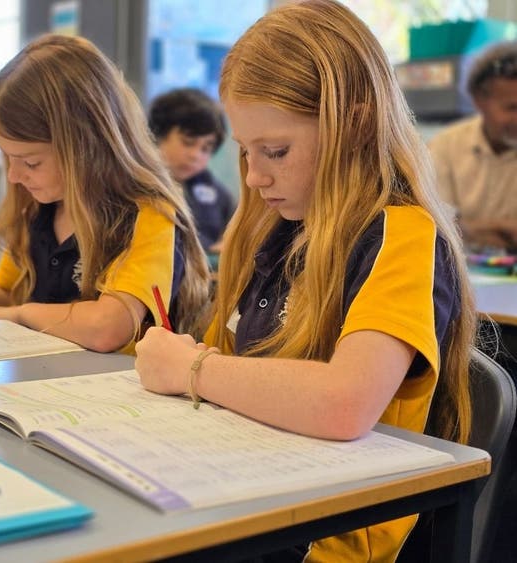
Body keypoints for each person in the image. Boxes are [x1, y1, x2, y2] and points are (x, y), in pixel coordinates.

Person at [134, 0, 476, 560]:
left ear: (356, 124)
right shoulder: (275, 228)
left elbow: (344, 404)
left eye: (275, 151)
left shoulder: (401, 235)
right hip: (247, 499)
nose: (253, 175)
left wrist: (192, 368)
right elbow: (228, 365)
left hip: (320, 536)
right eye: (245, 151)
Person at [0, 34, 211, 354]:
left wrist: (20, 315)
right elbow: (9, 295)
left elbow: (110, 326)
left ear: (87, 148)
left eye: (30, 162)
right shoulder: (40, 207)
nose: (14, 175)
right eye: (8, 158)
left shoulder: (147, 216)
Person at [428, 41, 517, 253]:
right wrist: (504, 228)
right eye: (512, 107)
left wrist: (470, 227)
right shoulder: (445, 148)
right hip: (458, 270)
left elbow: (456, 227)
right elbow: (436, 227)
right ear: (479, 101)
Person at [148, 88, 234, 253]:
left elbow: (231, 234)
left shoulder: (215, 192)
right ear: (158, 134)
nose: (195, 155)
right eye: (188, 142)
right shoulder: (136, 185)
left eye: (206, 148)